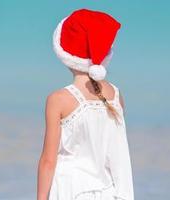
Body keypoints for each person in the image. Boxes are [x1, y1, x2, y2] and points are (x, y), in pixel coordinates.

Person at [37, 8, 134, 200]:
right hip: (108, 191)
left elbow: (48, 160)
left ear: (64, 53)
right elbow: (118, 155)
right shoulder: (115, 95)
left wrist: (41, 197)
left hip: (69, 190)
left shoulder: (58, 99)